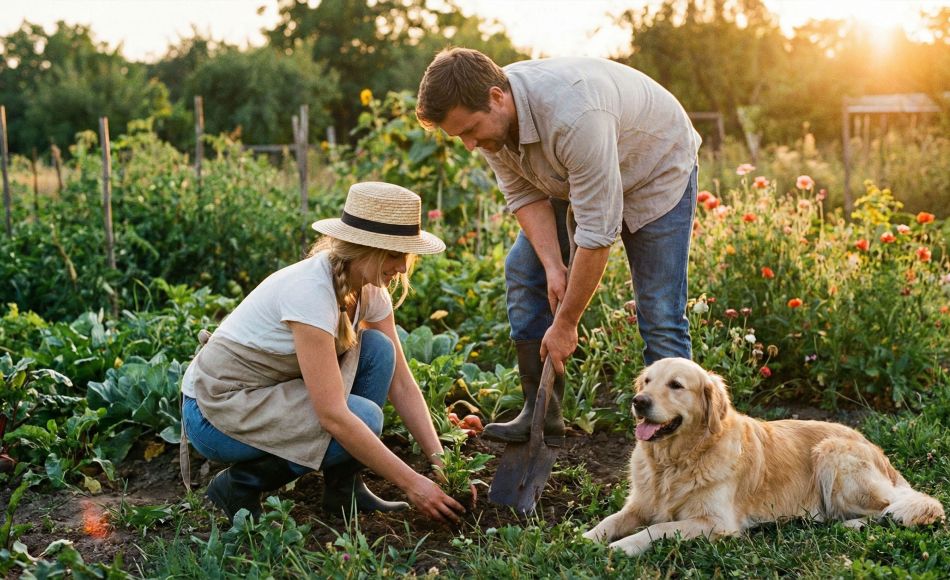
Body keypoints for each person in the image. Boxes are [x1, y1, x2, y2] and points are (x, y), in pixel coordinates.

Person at [416, 48, 701, 446]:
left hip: (655, 167)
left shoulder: (574, 116)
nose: (469, 144)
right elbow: (523, 196)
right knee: (524, 268)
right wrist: (553, 264)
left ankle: (682, 442)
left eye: (471, 129)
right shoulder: (492, 128)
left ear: (497, 97)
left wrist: (566, 323)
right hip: (576, 173)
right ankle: (541, 410)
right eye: (459, 135)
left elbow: (597, 233)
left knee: (659, 310)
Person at [179, 181, 467, 525]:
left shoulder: (370, 287)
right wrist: (412, 483)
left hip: (266, 394)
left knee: (378, 350)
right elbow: (332, 415)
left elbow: (402, 384)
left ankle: (344, 491)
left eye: (406, 255)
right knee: (363, 418)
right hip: (216, 412)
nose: (403, 267)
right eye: (394, 254)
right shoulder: (310, 293)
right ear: (365, 247)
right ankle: (239, 486)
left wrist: (440, 462)